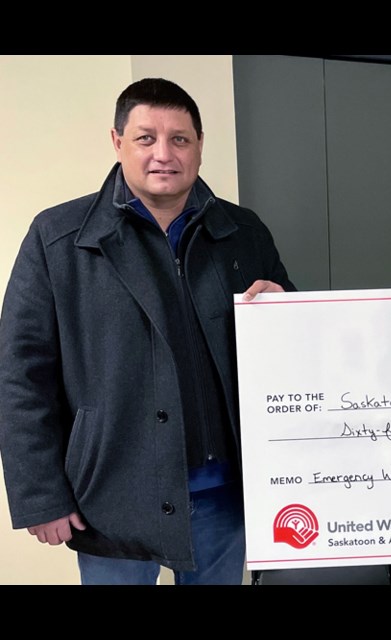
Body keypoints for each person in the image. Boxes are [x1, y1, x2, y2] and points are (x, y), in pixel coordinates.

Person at [0, 78, 294, 584]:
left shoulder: (244, 233)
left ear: (200, 145)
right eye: (145, 138)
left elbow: (296, 352)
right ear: (117, 142)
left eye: (180, 138)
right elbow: (19, 375)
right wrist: (41, 494)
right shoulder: (59, 238)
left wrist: (288, 311)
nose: (164, 153)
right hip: (110, 500)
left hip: (226, 495)